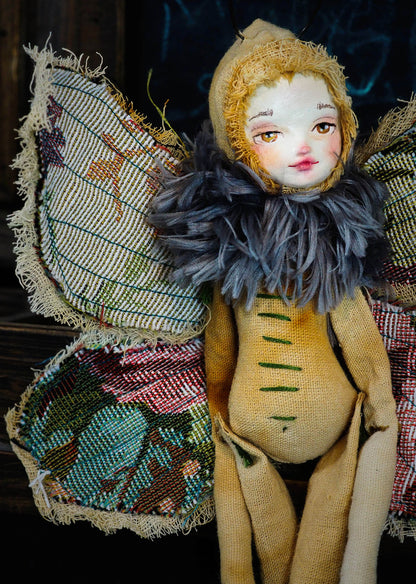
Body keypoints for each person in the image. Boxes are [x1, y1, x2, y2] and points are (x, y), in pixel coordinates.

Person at [151, 18, 398, 584]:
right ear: (236, 143)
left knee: (337, 532)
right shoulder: (226, 249)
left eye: (322, 124)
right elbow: (220, 349)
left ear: (346, 126)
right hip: (245, 430)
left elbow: (361, 342)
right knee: (247, 532)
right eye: (269, 133)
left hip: (338, 426)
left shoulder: (338, 244)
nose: (303, 147)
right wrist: (218, 411)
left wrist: (380, 406)